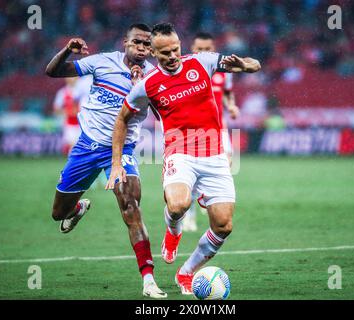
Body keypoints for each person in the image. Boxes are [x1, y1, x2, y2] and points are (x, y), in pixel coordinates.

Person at [106, 23, 261, 295]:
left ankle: (186, 272)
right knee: (178, 205)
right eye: (165, 52)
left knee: (224, 225)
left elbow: (253, 64)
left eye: (175, 49)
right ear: (153, 53)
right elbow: (122, 119)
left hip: (214, 153)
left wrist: (248, 66)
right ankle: (173, 231)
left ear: (181, 45)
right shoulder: (148, 85)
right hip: (179, 151)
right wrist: (117, 162)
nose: (172, 56)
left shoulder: (202, 62)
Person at [45, 23, 167, 299]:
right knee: (58, 213)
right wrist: (67, 51)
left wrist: (141, 88)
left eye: (147, 45)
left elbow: (162, 116)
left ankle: (148, 280)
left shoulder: (154, 76)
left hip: (123, 149)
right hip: (87, 146)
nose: (142, 48)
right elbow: (52, 72)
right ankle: (76, 210)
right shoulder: (102, 62)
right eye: (137, 42)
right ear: (125, 42)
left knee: (131, 206)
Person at [182, 32, 241, 232]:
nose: (204, 52)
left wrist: (231, 105)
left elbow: (227, 92)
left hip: (218, 125)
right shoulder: (185, 70)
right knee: (192, 174)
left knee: (227, 162)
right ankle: (189, 215)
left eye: (208, 49)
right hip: (194, 128)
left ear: (213, 49)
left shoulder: (224, 71)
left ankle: (207, 196)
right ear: (192, 49)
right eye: (200, 49)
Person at [53, 76, 92, 155]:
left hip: (84, 123)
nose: (71, 79)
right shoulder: (62, 92)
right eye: (69, 77)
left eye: (74, 77)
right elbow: (56, 109)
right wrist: (68, 112)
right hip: (70, 124)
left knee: (83, 147)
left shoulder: (83, 89)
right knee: (73, 146)